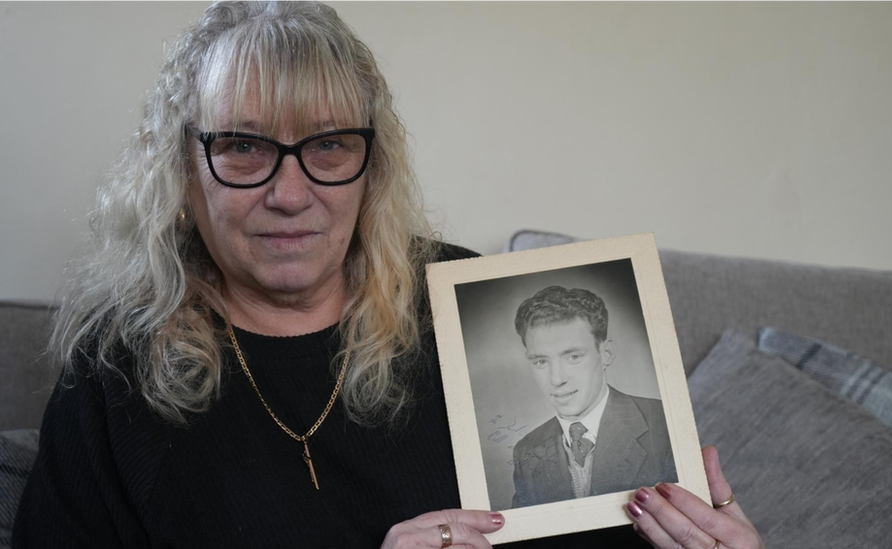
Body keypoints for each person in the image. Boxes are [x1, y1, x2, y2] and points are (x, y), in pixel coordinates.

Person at [13, 1, 765, 548]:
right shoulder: (116, 373)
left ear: (372, 166)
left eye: (330, 146)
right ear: (183, 167)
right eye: (243, 146)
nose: (290, 191)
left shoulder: (471, 304)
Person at [511, 286, 676, 508]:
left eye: (574, 356)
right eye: (541, 361)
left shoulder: (665, 423)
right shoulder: (526, 450)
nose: (557, 379)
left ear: (606, 354)